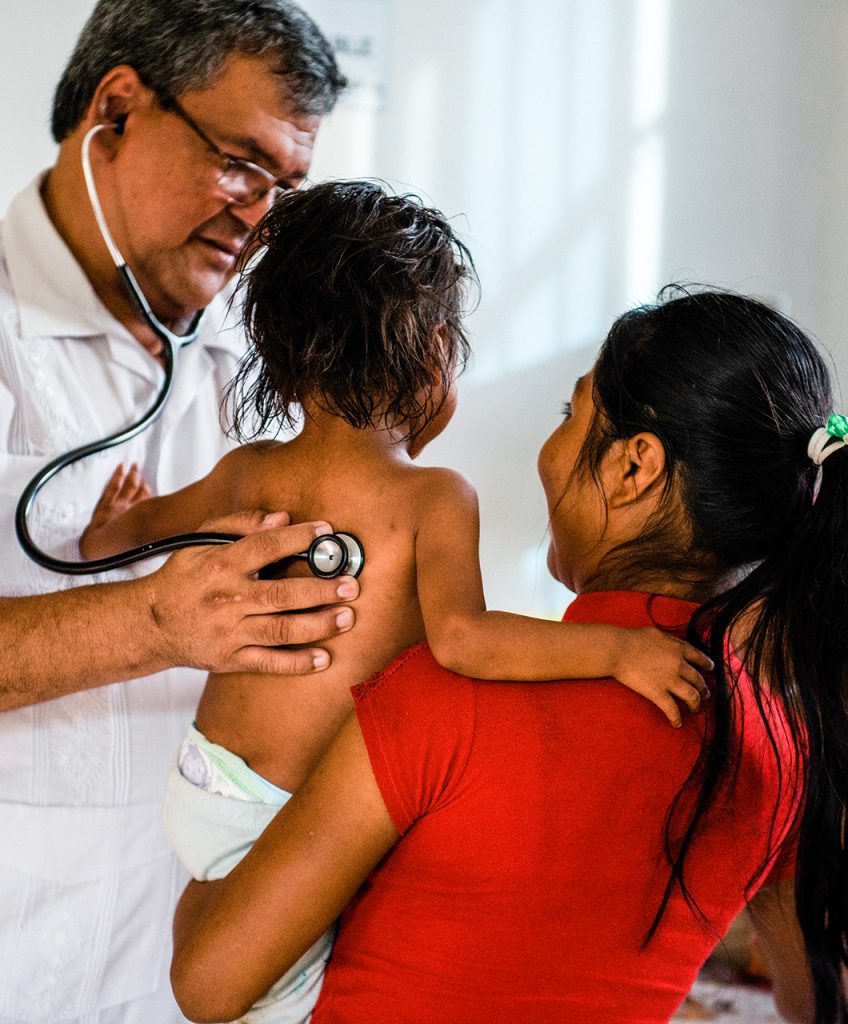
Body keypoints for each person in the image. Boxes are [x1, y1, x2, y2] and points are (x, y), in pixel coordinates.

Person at [0, 3, 349, 1022]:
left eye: (285, 187)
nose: (257, 215)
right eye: (241, 163)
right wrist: (155, 617)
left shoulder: (255, 368)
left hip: (166, 979)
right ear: (116, 108)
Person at [80, 181, 711, 1022]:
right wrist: (616, 650)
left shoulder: (249, 470)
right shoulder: (434, 498)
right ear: (431, 360)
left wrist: (107, 525)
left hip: (207, 785)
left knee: (224, 943)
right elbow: (465, 640)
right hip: (289, 811)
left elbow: (132, 536)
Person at [170, 288, 848, 1024]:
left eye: (571, 414)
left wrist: (218, 838)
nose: (549, 450)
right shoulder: (784, 740)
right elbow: (817, 997)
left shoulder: (446, 700)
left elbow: (210, 982)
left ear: (634, 468)